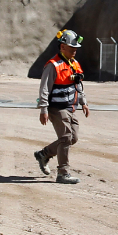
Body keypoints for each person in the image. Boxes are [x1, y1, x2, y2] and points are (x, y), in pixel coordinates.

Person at [34, 29, 90, 184]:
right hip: (56, 108)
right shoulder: (53, 66)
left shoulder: (74, 63)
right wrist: (43, 109)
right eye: (72, 48)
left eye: (76, 49)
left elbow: (78, 84)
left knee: (73, 138)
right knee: (65, 138)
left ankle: (43, 154)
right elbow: (44, 89)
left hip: (70, 108)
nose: (74, 51)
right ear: (62, 47)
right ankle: (63, 173)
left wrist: (83, 102)